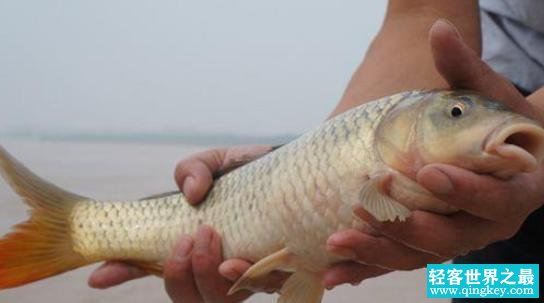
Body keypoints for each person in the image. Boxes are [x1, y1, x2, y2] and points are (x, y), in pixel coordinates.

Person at [88, 1, 544, 302]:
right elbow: (421, 12)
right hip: (481, 114)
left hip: (494, 123)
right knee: (490, 286)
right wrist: (301, 174)